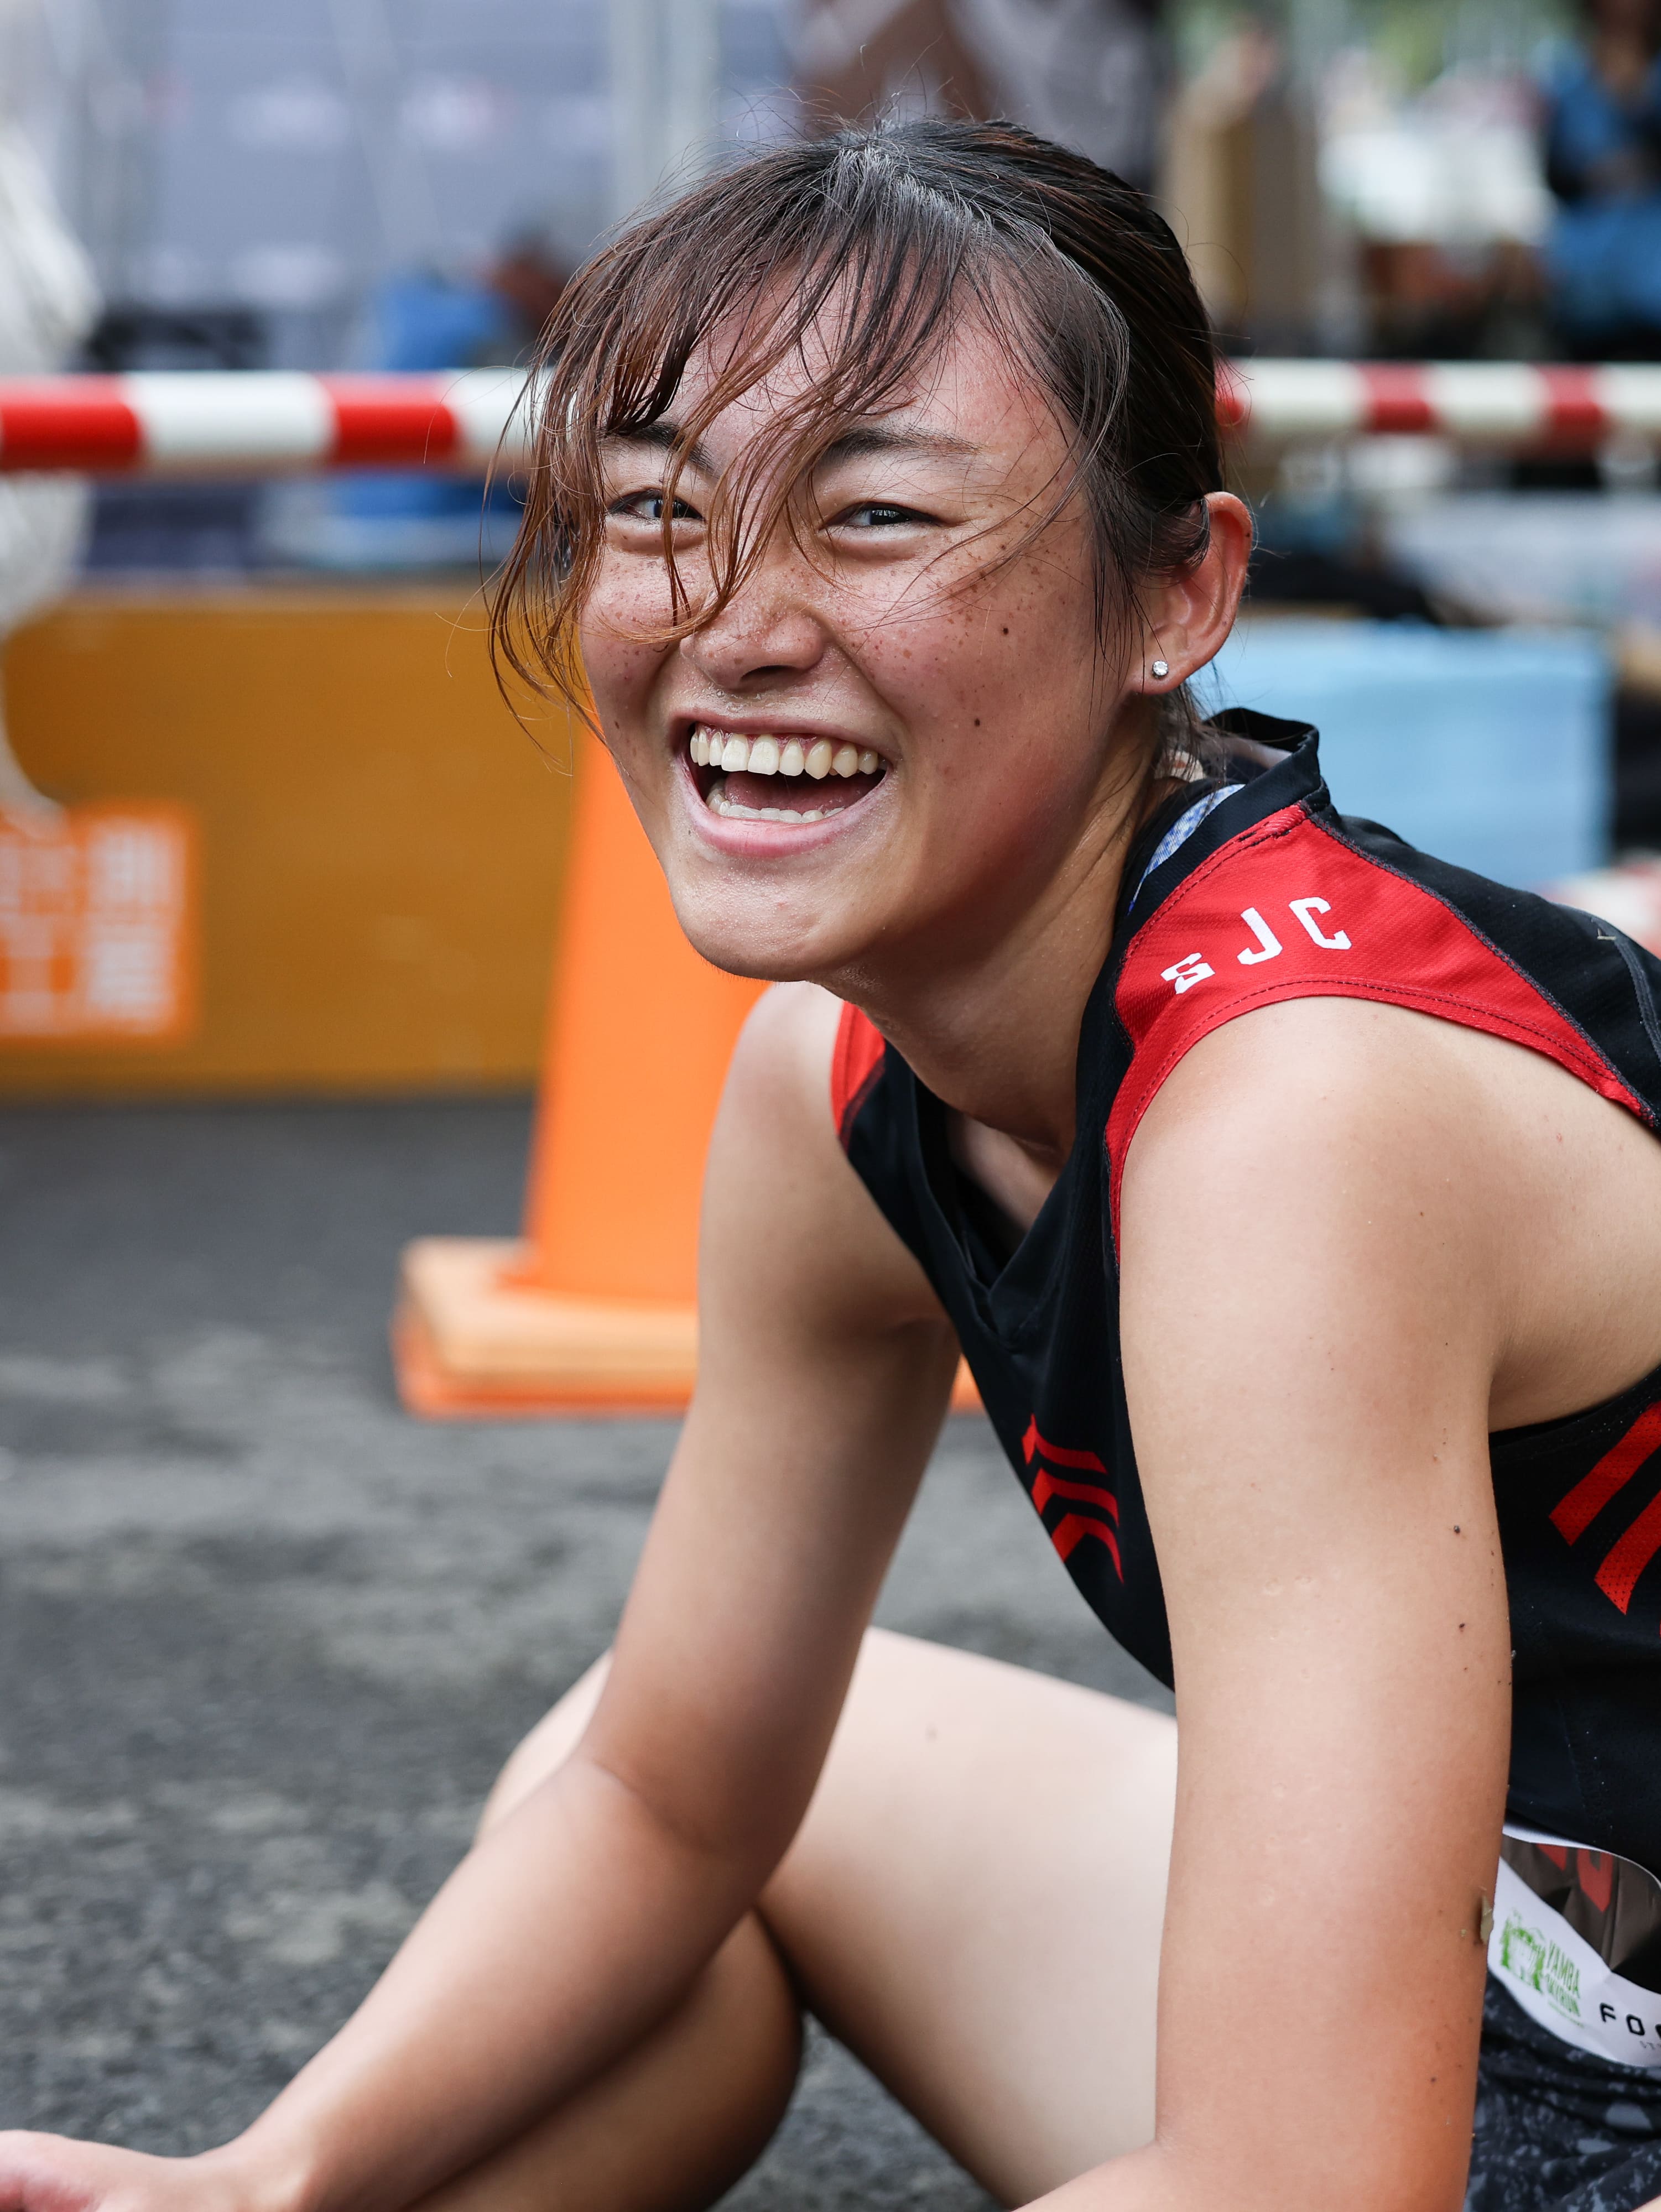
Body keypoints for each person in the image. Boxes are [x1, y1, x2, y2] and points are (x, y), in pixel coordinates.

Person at [7, 116, 1661, 2212]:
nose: (737, 625)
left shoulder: (1295, 1113)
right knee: (624, 1839)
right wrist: (262, 2177)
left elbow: (1302, 2182)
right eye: (659, 510)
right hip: (1515, 1989)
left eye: (874, 514)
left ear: (1178, 594)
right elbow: (673, 1792)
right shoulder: (838, 1078)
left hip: (1462, 2100)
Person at [1538, 0, 1661, 357]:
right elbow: (1555, 176)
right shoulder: (1567, 77)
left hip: (1651, 290)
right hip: (1585, 291)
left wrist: (1633, 99)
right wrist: (1599, 177)